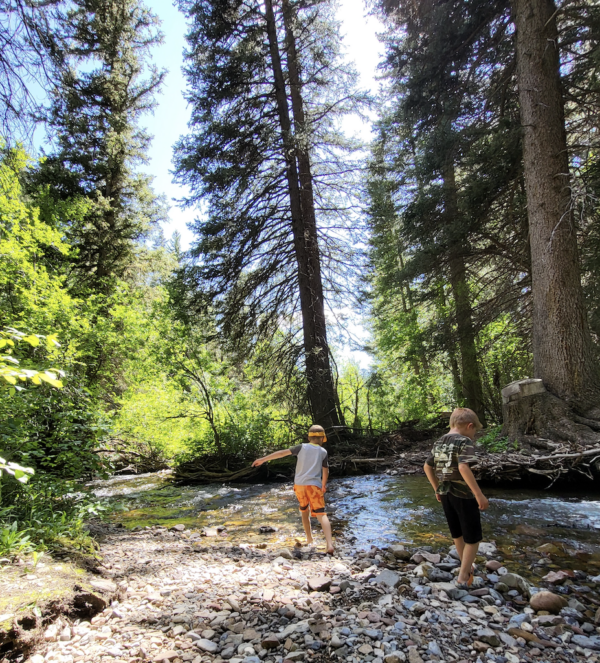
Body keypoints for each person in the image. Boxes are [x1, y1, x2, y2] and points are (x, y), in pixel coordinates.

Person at [423, 407, 489, 588]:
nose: (474, 436)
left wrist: (436, 489)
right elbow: (463, 467)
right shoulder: (464, 441)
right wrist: (479, 494)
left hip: (445, 493)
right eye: (474, 431)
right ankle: (463, 576)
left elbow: (427, 467)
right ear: (469, 426)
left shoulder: (439, 442)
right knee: (473, 538)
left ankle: (465, 565)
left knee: (457, 533)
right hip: (463, 494)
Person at [252, 424, 334, 554]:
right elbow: (325, 470)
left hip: (299, 485)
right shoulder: (323, 452)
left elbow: (281, 453)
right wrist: (323, 485)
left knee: (304, 510)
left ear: (308, 437)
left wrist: (263, 459)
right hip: (314, 486)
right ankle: (329, 544)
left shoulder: (301, 447)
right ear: (323, 438)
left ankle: (309, 539)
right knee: (321, 514)